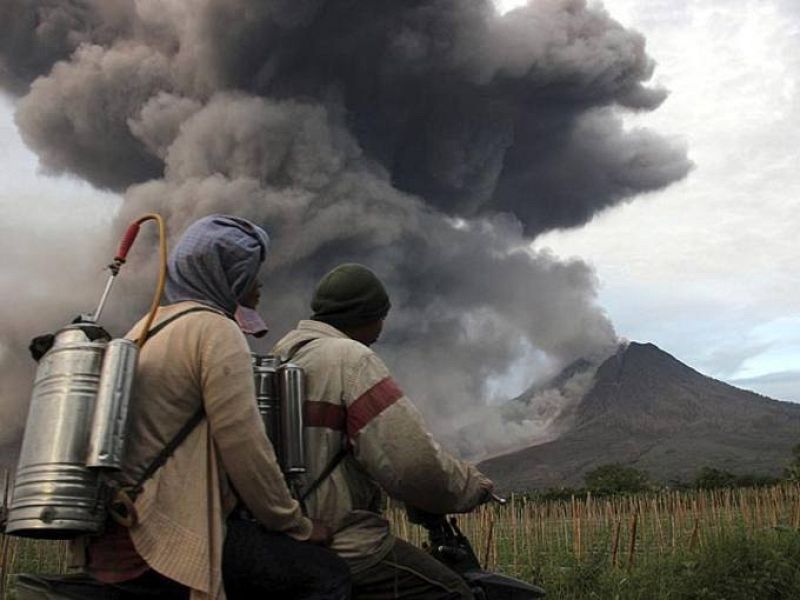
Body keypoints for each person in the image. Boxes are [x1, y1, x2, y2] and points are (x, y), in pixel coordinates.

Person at [79, 215, 351, 600]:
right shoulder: (214, 330)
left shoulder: (147, 326)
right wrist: (296, 524)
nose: (257, 286)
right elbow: (245, 448)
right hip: (162, 536)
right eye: (249, 274)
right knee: (327, 575)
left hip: (118, 534)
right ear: (227, 276)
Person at [272, 263, 493, 600]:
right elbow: (411, 464)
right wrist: (469, 487)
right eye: (381, 316)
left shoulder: (284, 354)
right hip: (341, 541)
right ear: (368, 315)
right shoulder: (351, 359)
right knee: (453, 592)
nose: (381, 328)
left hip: (284, 540)